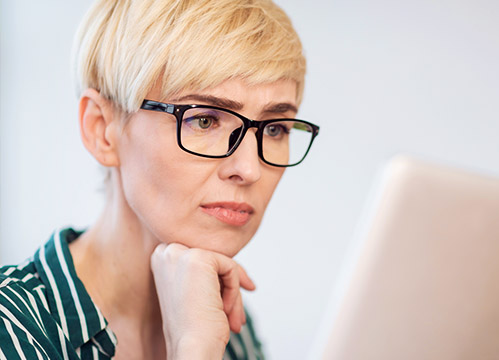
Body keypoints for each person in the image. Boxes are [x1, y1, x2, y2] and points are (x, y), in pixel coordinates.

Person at [0, 0, 319, 359]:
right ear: (102, 130)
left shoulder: (224, 325)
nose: (249, 169)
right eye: (205, 120)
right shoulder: (12, 326)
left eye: (274, 128)